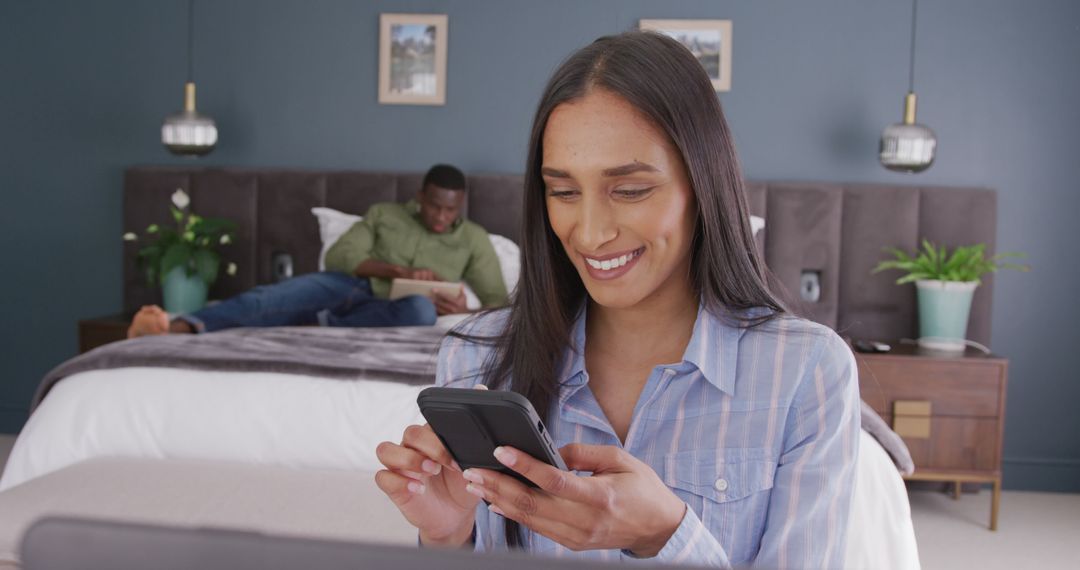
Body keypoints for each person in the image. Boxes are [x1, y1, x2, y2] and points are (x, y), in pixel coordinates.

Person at [373, 32, 860, 568]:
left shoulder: (806, 371)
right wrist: (448, 539)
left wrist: (667, 537)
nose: (590, 232)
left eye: (629, 191)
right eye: (562, 191)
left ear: (703, 186)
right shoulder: (475, 357)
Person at [127, 164, 509, 337]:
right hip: (349, 286)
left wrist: (465, 311)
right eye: (435, 206)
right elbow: (342, 257)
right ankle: (174, 327)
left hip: (397, 309)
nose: (442, 216)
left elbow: (497, 303)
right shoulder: (385, 214)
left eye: (450, 209)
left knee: (421, 310)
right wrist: (396, 272)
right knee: (271, 297)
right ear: (421, 197)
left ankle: (319, 324)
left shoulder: (473, 239)